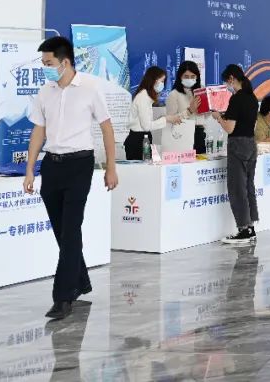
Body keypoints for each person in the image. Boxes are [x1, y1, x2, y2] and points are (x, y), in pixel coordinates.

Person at [23, 36, 118, 321]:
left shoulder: (90, 88)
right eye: (43, 64)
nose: (45, 68)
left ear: (65, 62)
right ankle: (81, 281)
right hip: (52, 165)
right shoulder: (45, 92)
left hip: (80, 164)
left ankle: (63, 297)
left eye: (48, 63)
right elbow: (38, 131)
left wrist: (111, 167)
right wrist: (30, 169)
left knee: (72, 228)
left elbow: (107, 128)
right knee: (61, 230)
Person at [212, 64, 260, 245]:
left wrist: (218, 118)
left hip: (238, 145)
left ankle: (243, 229)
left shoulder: (236, 99)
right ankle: (251, 226)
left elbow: (230, 128)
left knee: (237, 188)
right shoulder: (252, 97)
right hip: (250, 144)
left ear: (231, 78)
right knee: (248, 186)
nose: (227, 85)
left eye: (226, 82)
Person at [124, 66, 182, 160]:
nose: (162, 84)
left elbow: (146, 121)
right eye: (162, 81)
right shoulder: (143, 97)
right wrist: (166, 119)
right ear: (153, 80)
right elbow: (146, 126)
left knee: (146, 166)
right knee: (140, 168)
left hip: (142, 138)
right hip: (137, 141)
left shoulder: (146, 96)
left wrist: (164, 118)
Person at [166, 61, 205, 154]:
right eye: (186, 76)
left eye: (193, 76)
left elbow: (205, 116)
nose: (189, 79)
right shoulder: (174, 94)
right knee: (186, 163)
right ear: (180, 76)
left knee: (201, 161)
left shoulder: (201, 91)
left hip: (200, 133)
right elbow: (170, 120)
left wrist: (210, 108)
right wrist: (189, 110)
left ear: (197, 77)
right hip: (182, 134)